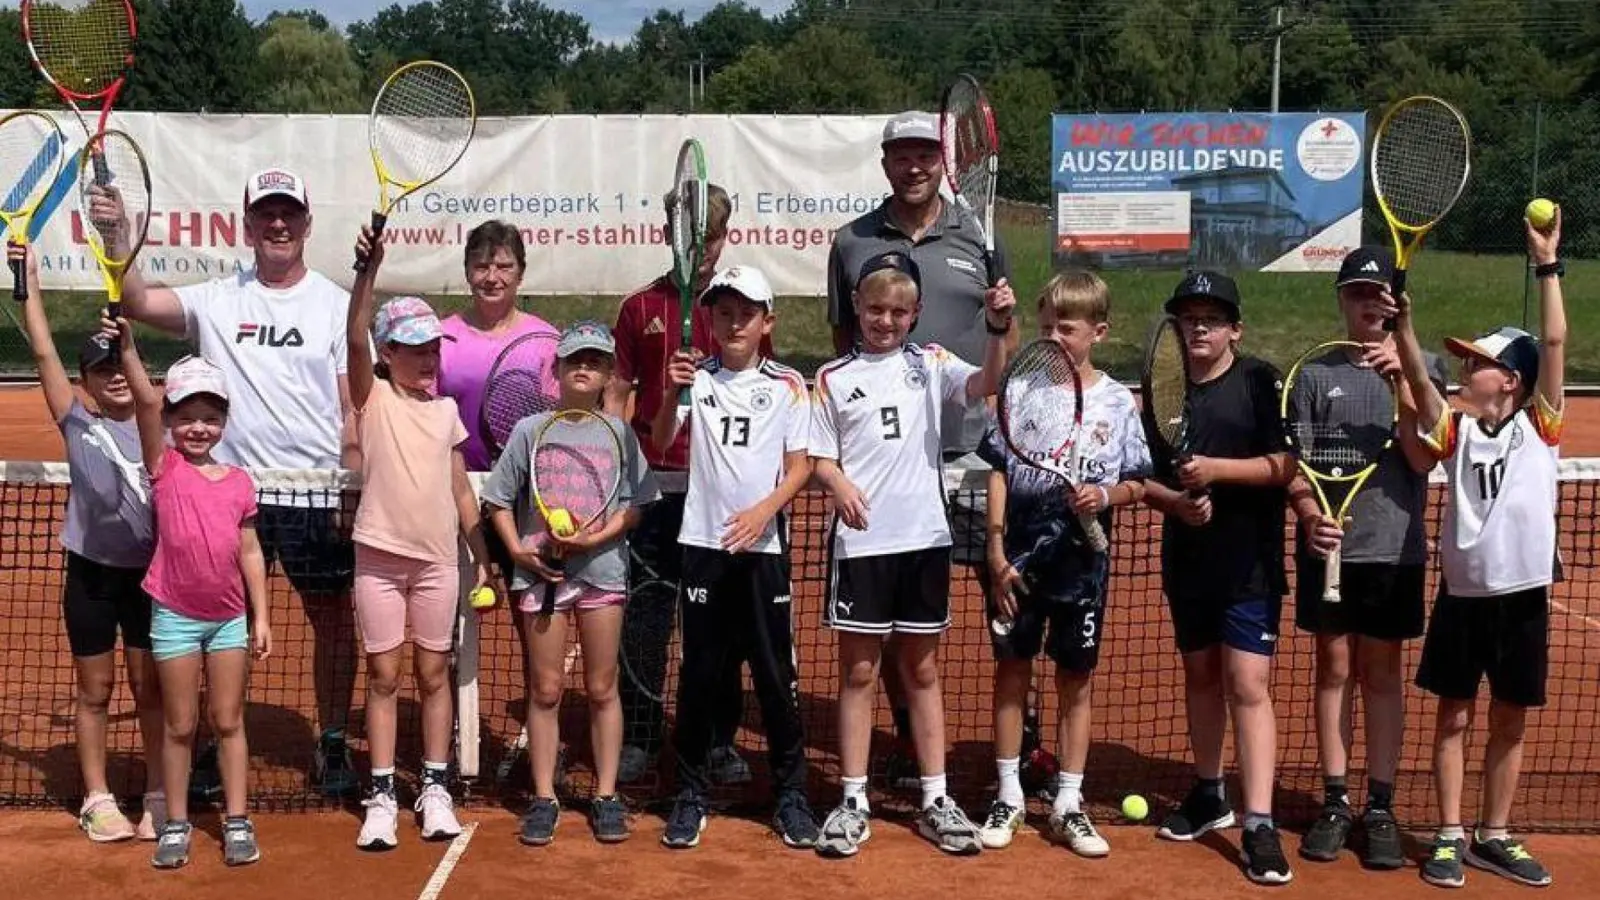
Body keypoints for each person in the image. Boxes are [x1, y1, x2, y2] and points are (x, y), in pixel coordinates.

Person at [99, 168, 360, 795]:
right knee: (224, 620)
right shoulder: (217, 299)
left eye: (288, 213)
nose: (278, 224)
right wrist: (115, 237)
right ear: (247, 225)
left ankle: (329, 740)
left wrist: (351, 481)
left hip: (313, 489)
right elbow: (137, 303)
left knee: (331, 617)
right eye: (265, 213)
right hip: (227, 493)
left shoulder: (333, 302)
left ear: (306, 223)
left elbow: (354, 404)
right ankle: (216, 740)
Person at [825, 110, 1025, 790]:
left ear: (943, 160)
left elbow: (1006, 341)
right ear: (885, 164)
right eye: (900, 156)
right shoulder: (851, 241)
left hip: (973, 456)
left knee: (1004, 601)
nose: (914, 166)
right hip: (887, 474)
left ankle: (1015, 753)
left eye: (924, 155)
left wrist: (1003, 320)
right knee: (888, 633)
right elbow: (839, 350)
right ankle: (910, 745)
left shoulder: (979, 235)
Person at [810, 251, 1014, 858]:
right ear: (857, 308)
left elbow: (986, 383)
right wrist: (837, 482)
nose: (886, 320)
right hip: (862, 546)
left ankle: (935, 797)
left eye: (899, 311)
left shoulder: (933, 364)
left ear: (915, 313)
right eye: (875, 309)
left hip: (924, 541)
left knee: (922, 670)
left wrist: (999, 330)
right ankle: (852, 799)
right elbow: (819, 457)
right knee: (859, 672)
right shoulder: (832, 377)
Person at [1393, 212, 1566, 890]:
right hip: (1461, 600)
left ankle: (1493, 834)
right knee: (1455, 717)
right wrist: (1402, 328)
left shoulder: (1542, 426)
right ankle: (1448, 834)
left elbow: (1552, 338)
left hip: (1523, 601)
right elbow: (1420, 383)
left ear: (1514, 382)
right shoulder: (1457, 431)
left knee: (1510, 722)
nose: (1467, 366)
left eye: (1481, 361)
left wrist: (1547, 265)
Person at [975, 271, 1150, 857]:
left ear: (1099, 331)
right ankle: (1008, 793)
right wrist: (995, 550)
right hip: (1017, 560)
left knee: (1076, 680)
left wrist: (1105, 498)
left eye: (1066, 329)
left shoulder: (1119, 402)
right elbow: (998, 469)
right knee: (1012, 672)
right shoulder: (1023, 390)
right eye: (1046, 326)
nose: (1053, 338)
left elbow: (1138, 481)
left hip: (1083, 565)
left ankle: (1069, 803)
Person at [1288, 247, 1447, 870]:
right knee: (1332, 669)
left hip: (1393, 549)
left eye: (1379, 297)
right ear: (1342, 300)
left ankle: (1378, 804)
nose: (1368, 306)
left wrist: (1402, 380)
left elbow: (1422, 457)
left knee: (1380, 674)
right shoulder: (1314, 373)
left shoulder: (1422, 367)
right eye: (1357, 294)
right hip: (1330, 548)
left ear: (1395, 305)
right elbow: (1293, 468)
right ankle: (1334, 800)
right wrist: (1308, 518)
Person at [650, 266, 819, 850]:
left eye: (746, 312)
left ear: (767, 321)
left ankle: (791, 795)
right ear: (711, 319)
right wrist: (672, 389)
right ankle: (690, 795)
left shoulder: (790, 384)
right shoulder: (699, 379)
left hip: (763, 548)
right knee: (699, 675)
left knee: (775, 677)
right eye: (724, 312)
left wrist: (762, 514)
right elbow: (660, 434)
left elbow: (801, 466)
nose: (734, 322)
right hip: (702, 546)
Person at [1140, 271, 1295, 885]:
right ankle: (1210, 792)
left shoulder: (1260, 380)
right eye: (1188, 316)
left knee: (1247, 683)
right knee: (1201, 676)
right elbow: (1149, 479)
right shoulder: (1163, 393)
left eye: (1212, 316)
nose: (1198, 325)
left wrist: (1216, 473)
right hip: (1189, 561)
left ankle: (1259, 821)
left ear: (1236, 328)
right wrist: (1178, 501)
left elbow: (1285, 464)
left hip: (1250, 563)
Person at [605, 183, 758, 786]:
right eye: (690, 237)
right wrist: (620, 470)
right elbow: (618, 395)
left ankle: (718, 741)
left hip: (722, 496)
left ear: (725, 238)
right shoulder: (639, 308)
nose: (701, 250)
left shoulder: (741, 308)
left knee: (721, 624)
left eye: (712, 237)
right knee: (645, 618)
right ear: (670, 235)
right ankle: (640, 735)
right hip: (654, 492)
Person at [484, 321, 659, 847]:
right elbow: (496, 501)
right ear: (557, 370)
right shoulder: (529, 431)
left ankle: (605, 796)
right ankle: (543, 797)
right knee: (545, 688)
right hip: (541, 574)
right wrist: (517, 549)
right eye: (573, 360)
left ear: (608, 373)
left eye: (595, 361)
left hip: (602, 571)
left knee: (603, 688)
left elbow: (636, 507)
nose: (583, 368)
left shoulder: (620, 433)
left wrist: (594, 538)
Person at [346, 230, 491, 849]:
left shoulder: (445, 412)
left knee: (434, 675)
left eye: (433, 346)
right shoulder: (370, 395)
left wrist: (481, 559)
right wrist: (366, 275)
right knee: (383, 675)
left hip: (438, 563)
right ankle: (381, 792)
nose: (428, 357)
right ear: (387, 353)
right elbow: (354, 335)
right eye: (412, 347)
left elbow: (461, 491)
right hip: (378, 560)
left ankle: (433, 788)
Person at [15, 244, 163, 842]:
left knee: (149, 688)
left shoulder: (159, 420)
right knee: (95, 690)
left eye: (120, 367)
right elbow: (45, 349)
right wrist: (29, 289)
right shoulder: (77, 422)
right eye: (101, 373)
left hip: (151, 580)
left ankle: (158, 789)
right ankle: (97, 795)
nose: (115, 380)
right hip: (92, 578)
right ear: (86, 382)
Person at [112, 327, 269, 870]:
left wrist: (260, 616)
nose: (197, 427)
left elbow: (250, 551)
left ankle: (237, 820)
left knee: (228, 720)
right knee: (180, 725)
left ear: (224, 421)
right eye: (186, 416)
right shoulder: (165, 467)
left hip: (228, 620)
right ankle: (175, 823)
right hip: (174, 617)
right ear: (171, 420)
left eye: (210, 416)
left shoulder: (240, 482)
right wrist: (129, 350)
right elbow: (145, 403)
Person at [436, 220, 560, 781]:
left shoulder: (545, 341)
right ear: (467, 271)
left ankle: (546, 747)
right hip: (451, 500)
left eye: (503, 265)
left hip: (524, 506)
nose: (491, 276)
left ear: (521, 273)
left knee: (531, 623)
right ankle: (454, 742)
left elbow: (562, 422)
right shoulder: (440, 337)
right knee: (449, 624)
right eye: (482, 265)